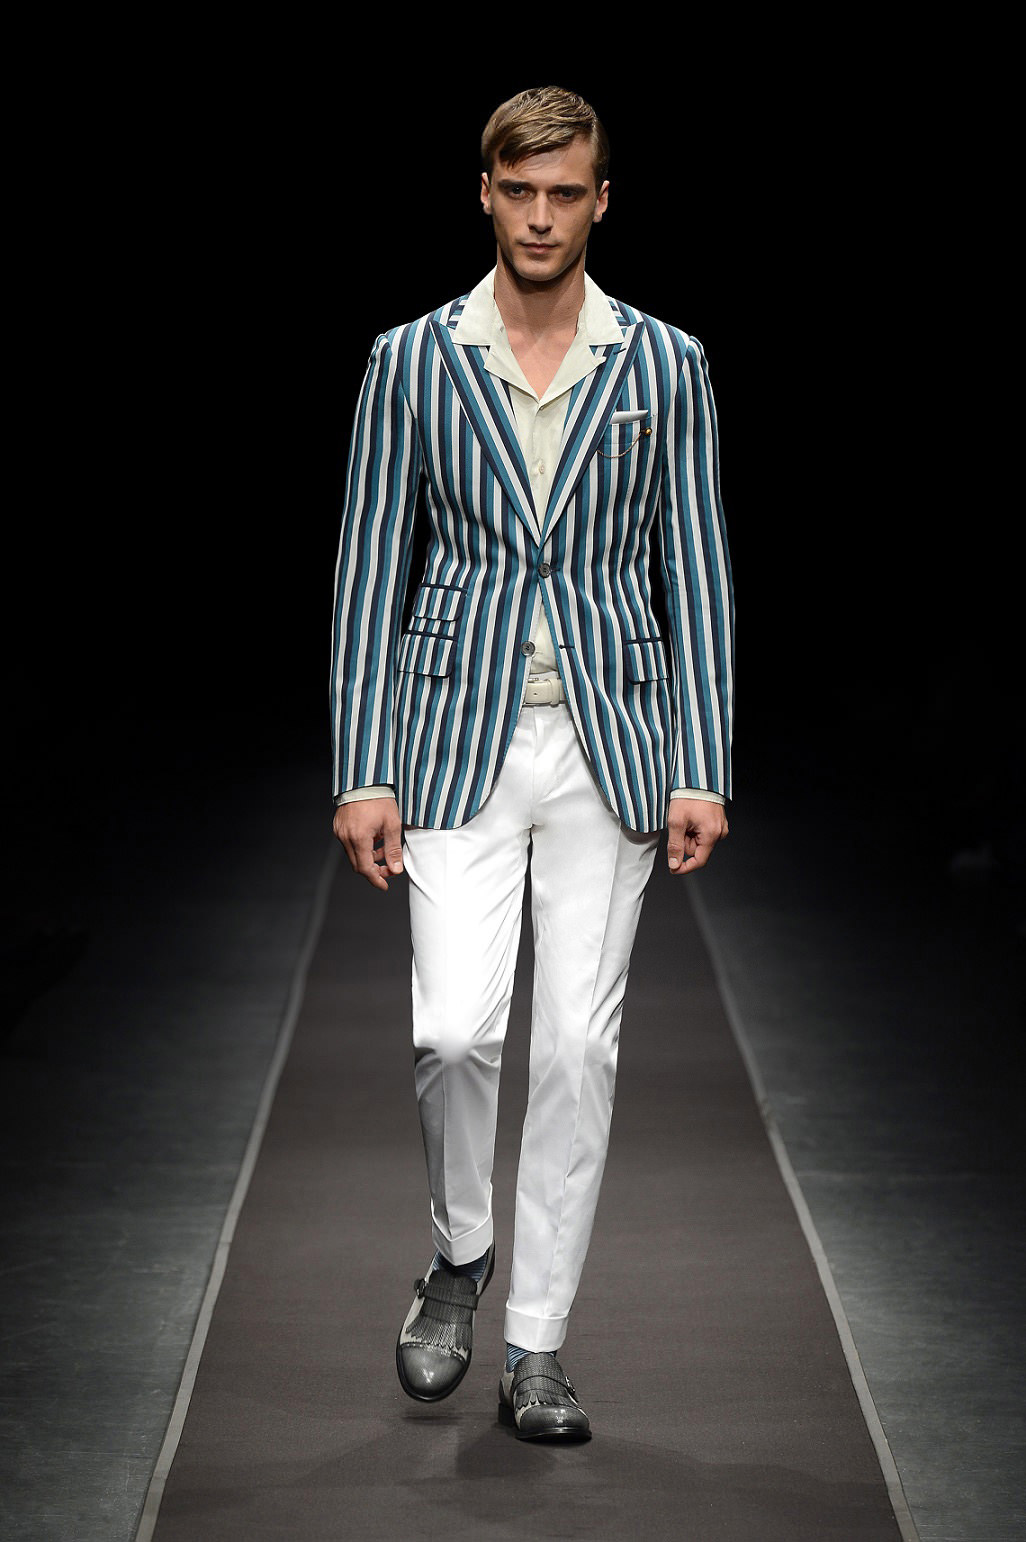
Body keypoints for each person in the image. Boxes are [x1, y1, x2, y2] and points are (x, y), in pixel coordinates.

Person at [330, 85, 733, 1442]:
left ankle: (537, 1345)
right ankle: (459, 1251)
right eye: (521, 192)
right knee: (454, 1029)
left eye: (567, 193)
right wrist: (362, 767)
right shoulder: (410, 360)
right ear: (486, 193)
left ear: (601, 200)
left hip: (611, 740)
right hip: (457, 734)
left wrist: (702, 761)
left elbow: (697, 569)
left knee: (574, 1045)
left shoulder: (664, 364)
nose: (543, 216)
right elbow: (369, 568)